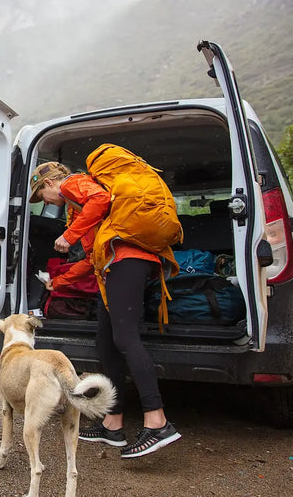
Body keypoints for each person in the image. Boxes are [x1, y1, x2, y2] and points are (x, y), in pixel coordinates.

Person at [29, 161, 181, 458]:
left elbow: (100, 199)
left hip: (128, 260)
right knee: (106, 344)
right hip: (111, 267)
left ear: (48, 185)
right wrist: (59, 281)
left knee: (125, 338)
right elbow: (91, 259)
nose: (45, 202)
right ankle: (112, 423)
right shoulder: (77, 209)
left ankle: (157, 421)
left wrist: (69, 235)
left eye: (41, 196)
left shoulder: (72, 184)